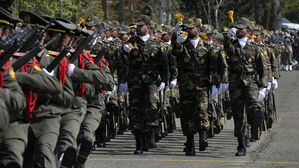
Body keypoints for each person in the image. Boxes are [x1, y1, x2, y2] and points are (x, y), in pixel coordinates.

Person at [224, 17, 267, 156]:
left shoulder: (255, 48)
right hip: (236, 82)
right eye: (237, 28)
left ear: (248, 31)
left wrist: (264, 86)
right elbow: (226, 48)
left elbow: (262, 67)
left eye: (241, 28)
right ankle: (241, 144)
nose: (238, 30)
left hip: (250, 81)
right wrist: (227, 36)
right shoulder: (232, 45)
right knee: (238, 114)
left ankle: (255, 127)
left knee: (255, 107)